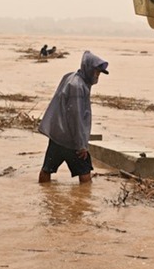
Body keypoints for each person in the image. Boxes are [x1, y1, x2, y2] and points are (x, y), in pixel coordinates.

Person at [37, 50, 109, 184]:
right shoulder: (78, 86)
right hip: (71, 140)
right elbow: (76, 117)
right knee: (85, 175)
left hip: (57, 136)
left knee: (47, 170)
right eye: (96, 72)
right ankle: (83, 203)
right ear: (88, 69)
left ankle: (44, 197)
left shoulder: (70, 77)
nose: (97, 76)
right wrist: (81, 145)